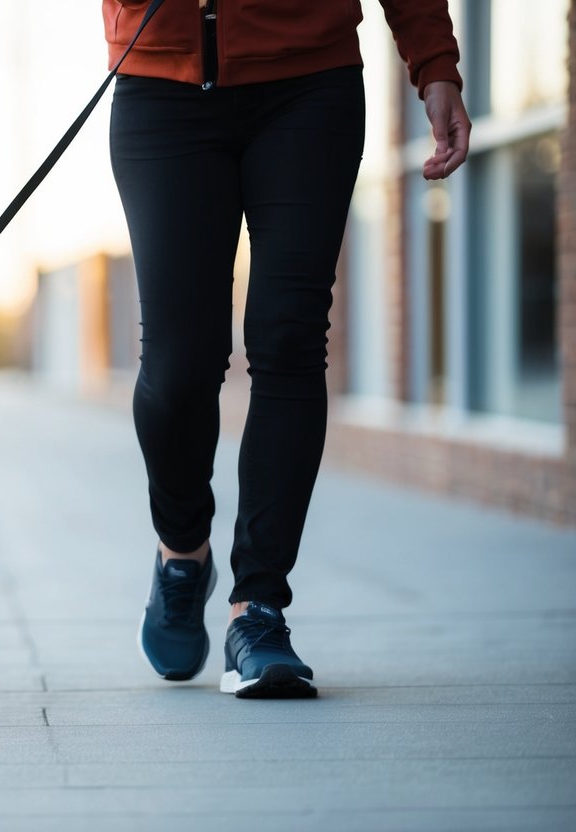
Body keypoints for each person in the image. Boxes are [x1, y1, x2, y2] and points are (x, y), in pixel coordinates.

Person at [106, 0, 470, 697]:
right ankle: (182, 551)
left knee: (289, 338)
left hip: (309, 79)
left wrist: (434, 66)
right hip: (161, 84)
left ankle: (259, 609)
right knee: (179, 363)